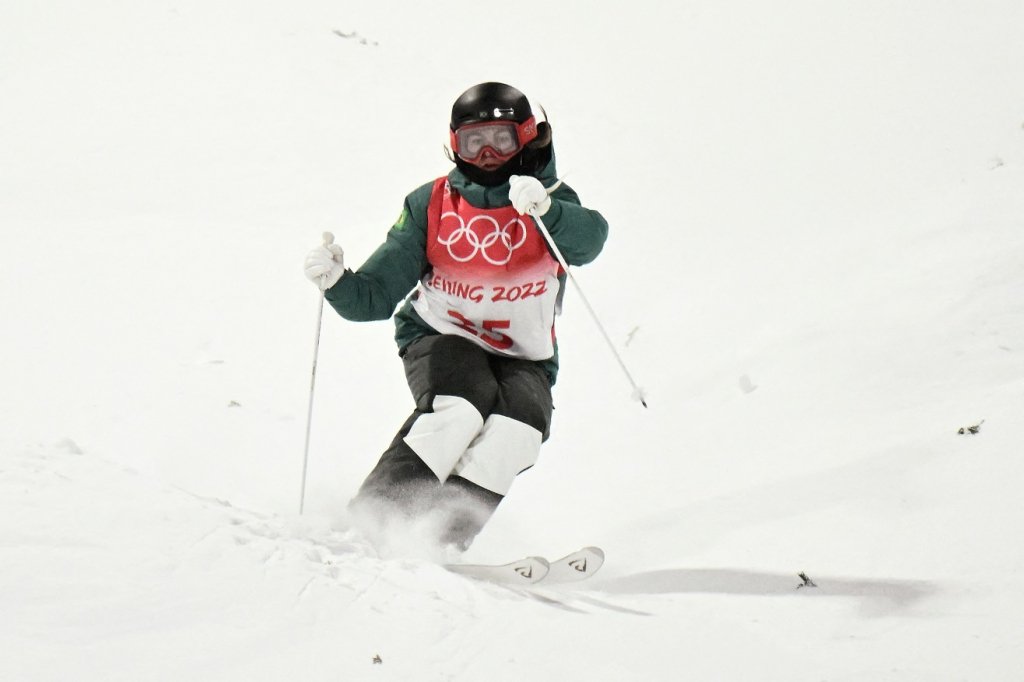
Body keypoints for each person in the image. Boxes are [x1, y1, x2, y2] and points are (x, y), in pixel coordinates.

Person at [303, 82, 608, 553]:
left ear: (526, 136)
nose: (487, 154)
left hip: (524, 356)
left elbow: (590, 241)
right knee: (460, 406)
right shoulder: (433, 203)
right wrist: (339, 283)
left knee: (518, 431)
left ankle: (439, 539)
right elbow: (376, 297)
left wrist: (550, 209)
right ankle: (374, 520)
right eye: (473, 142)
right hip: (442, 334)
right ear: (454, 144)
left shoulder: (547, 201)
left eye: (501, 139)